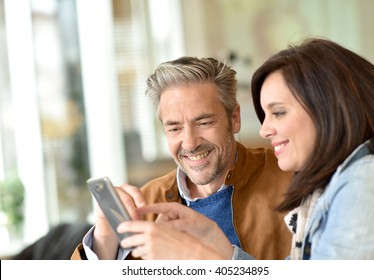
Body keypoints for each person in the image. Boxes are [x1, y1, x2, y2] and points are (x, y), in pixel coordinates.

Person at [120, 37, 374, 260]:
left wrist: (202, 258)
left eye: (279, 112)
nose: (264, 129)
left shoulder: (366, 181)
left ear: (327, 109)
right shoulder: (331, 186)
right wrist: (221, 250)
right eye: (174, 127)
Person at [71, 56, 292, 260]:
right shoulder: (146, 204)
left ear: (234, 118)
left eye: (204, 123)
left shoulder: (292, 180)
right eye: (175, 128)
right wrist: (104, 239)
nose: (190, 143)